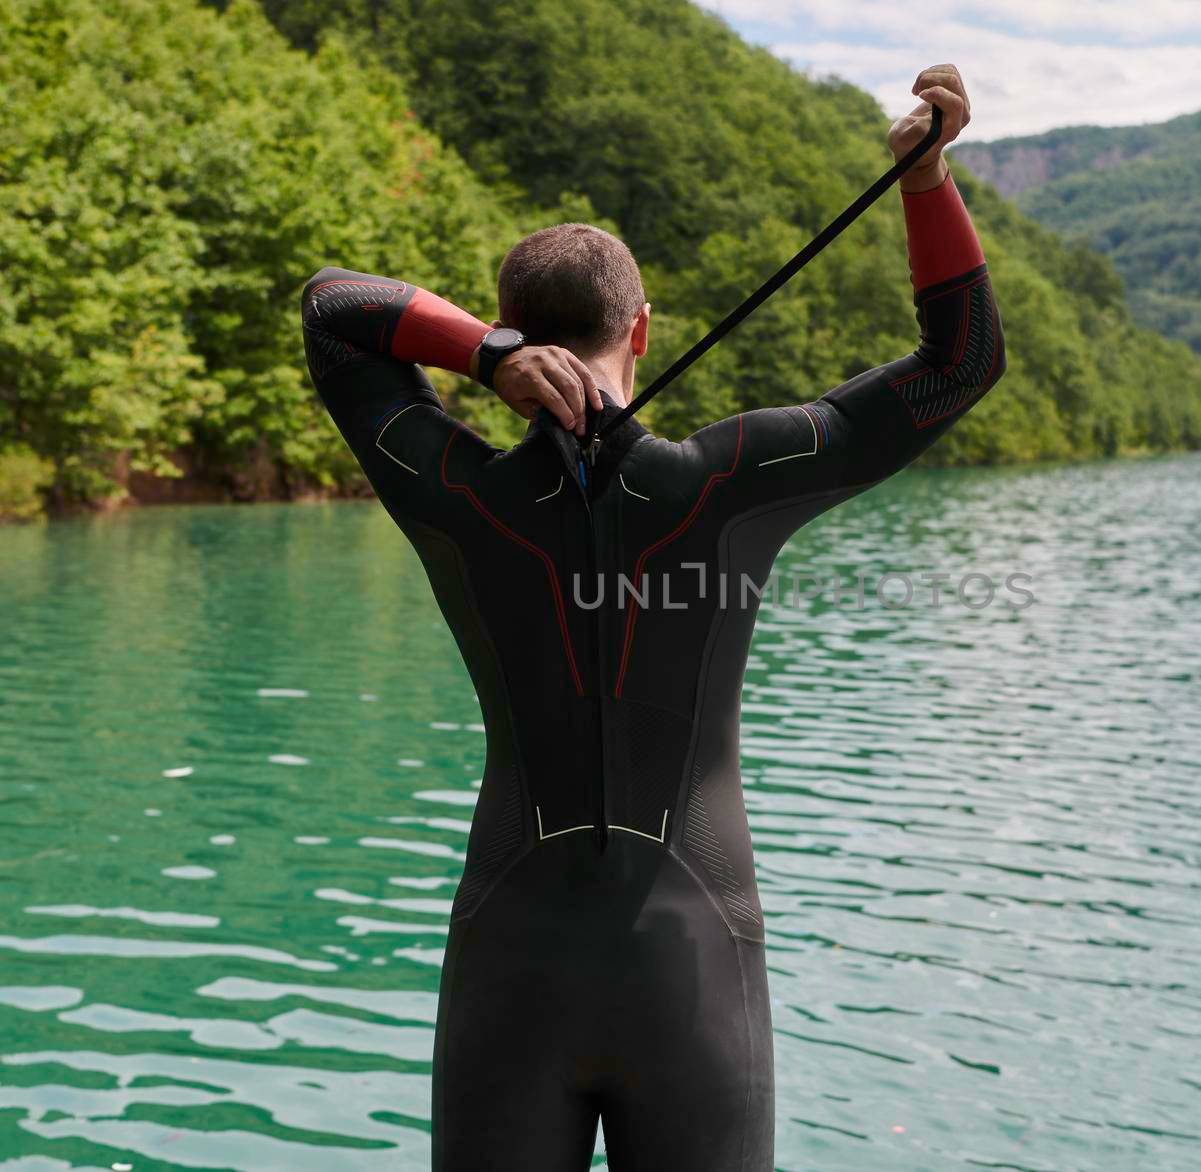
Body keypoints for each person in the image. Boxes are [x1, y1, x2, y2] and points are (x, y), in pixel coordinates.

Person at [300, 64, 1003, 1172]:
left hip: (508, 960)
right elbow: (959, 363)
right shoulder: (728, 482)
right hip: (695, 968)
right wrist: (924, 182)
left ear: (520, 330)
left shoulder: (462, 494)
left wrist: (482, 356)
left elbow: (335, 310)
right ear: (642, 326)